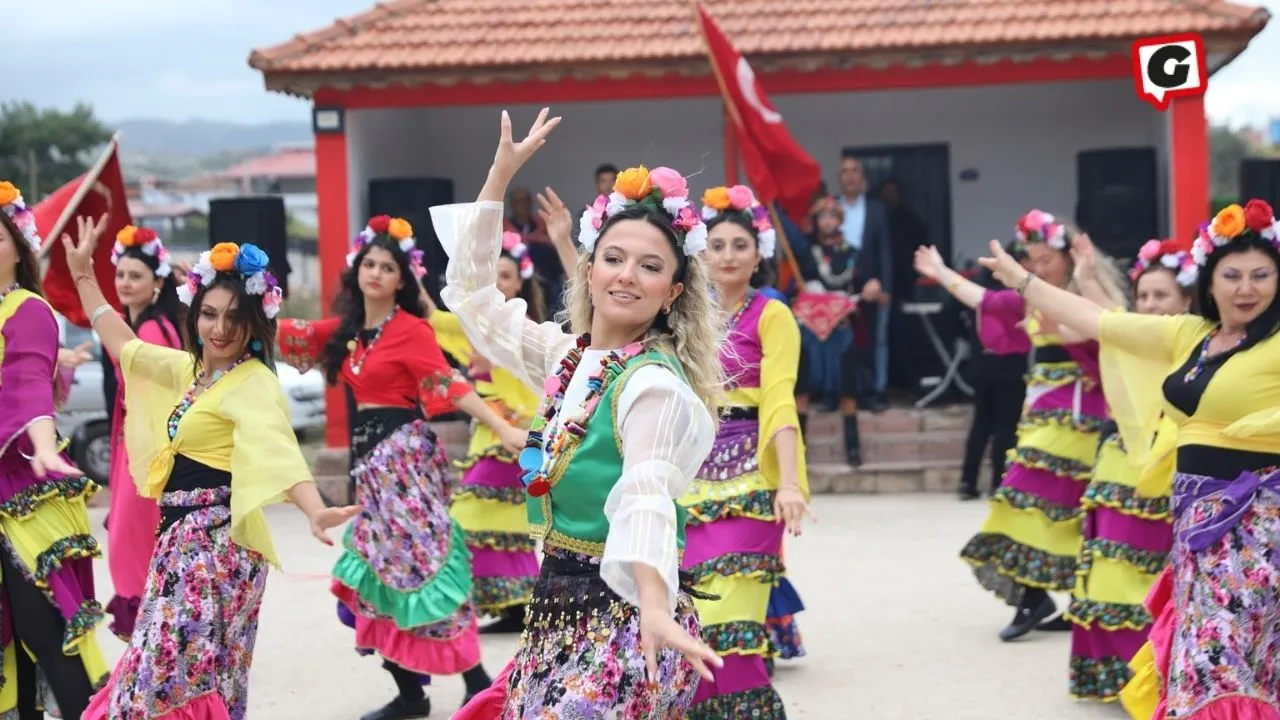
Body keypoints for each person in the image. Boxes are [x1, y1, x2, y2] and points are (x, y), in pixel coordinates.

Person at [444, 108, 724, 719]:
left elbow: (645, 491)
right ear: (589, 267)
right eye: (614, 258)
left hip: (626, 622)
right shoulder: (568, 356)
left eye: (651, 267)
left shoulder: (652, 386)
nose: (628, 276)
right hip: (557, 611)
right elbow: (472, 298)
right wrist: (499, 175)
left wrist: (653, 600)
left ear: (673, 291)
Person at [979, 199, 1280, 719]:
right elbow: (1100, 321)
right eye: (1232, 275)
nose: (1246, 288)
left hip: (1258, 529)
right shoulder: (1191, 335)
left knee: (1221, 658)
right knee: (1207, 656)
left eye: (1261, 275)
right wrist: (1022, 281)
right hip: (1194, 528)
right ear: (1210, 282)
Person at [62, 218, 358, 720]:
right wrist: (84, 277)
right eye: (209, 315)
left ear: (256, 323)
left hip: (214, 549)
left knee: (174, 680)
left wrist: (314, 508)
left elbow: (278, 450)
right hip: (180, 541)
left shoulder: (254, 383)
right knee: (169, 675)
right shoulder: (193, 372)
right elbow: (126, 347)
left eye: (235, 318)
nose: (220, 329)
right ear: (194, 315)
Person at [276, 215, 512, 719]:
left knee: (425, 563)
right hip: (369, 468)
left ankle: (476, 680)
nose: (377, 273)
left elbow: (449, 384)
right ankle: (411, 695)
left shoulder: (411, 330)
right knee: (378, 573)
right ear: (356, 271)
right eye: (370, 263)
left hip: (405, 462)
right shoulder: (346, 331)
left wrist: (504, 427)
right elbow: (284, 334)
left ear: (402, 279)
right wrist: (228, 304)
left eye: (387, 266)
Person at [915, 209, 1128, 642]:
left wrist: (1067, 312)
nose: (1036, 268)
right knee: (1060, 507)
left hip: (1081, 414)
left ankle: (1037, 597)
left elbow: (1115, 325)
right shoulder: (1033, 294)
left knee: (1028, 495)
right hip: (1044, 410)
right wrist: (939, 271)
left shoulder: (1081, 289)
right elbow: (984, 300)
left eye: (1046, 258)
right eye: (1030, 259)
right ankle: (1055, 598)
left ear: (1067, 257)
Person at [675, 183, 813, 717]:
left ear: (760, 254)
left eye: (740, 245)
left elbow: (780, 398)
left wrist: (789, 483)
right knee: (690, 620)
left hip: (753, 473)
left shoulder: (772, 314)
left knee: (731, 627)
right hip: (692, 470)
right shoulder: (688, 316)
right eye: (717, 245)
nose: (727, 255)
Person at [1066, 238, 1193, 703]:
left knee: (1155, 578)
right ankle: (1121, 681)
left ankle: (1158, 680)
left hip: (1170, 466)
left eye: (1162, 296)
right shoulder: (1137, 334)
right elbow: (1110, 320)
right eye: (1145, 296)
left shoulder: (1193, 339)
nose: (1152, 305)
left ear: (1186, 301)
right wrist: (1083, 277)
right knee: (1112, 573)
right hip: (1120, 464)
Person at [0, 181, 108, 720]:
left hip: (19, 490)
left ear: (19, 246)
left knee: (46, 633)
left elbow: (28, 385)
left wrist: (43, 445)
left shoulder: (28, 309)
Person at [449, 231, 547, 634]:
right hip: (488, 435)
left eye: (505, 276)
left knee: (466, 519)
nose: (499, 284)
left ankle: (490, 604)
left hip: (512, 438)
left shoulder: (522, 329)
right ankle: (514, 606)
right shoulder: (475, 326)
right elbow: (430, 315)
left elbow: (543, 386)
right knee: (502, 525)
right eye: (492, 277)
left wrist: (523, 422)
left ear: (519, 282)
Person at [103, 224, 187, 640]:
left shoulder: (152, 331)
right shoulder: (138, 323)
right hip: (134, 447)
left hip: (145, 450)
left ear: (157, 283)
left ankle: (150, 636)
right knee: (135, 545)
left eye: (136, 276)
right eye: (121, 274)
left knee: (128, 546)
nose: (125, 283)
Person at [953, 242, 1032, 500]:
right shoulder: (1017, 295)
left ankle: (968, 481)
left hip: (981, 364)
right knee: (1004, 426)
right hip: (1008, 365)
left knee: (982, 424)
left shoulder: (982, 290)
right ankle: (1000, 483)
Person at [795, 198, 864, 465]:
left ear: (840, 220)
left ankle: (853, 450)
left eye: (832, 216)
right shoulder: (805, 251)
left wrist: (869, 286)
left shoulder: (853, 253)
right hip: (810, 330)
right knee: (803, 389)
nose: (827, 221)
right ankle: (799, 451)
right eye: (822, 217)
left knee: (848, 390)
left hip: (841, 328)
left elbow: (861, 284)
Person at [836, 156, 892, 411]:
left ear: (862, 178)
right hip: (838, 284)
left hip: (871, 284)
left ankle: (874, 392)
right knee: (842, 340)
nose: (849, 176)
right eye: (844, 171)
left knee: (874, 341)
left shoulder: (877, 209)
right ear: (839, 177)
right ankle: (839, 392)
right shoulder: (831, 207)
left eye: (854, 171)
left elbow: (885, 251)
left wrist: (884, 284)